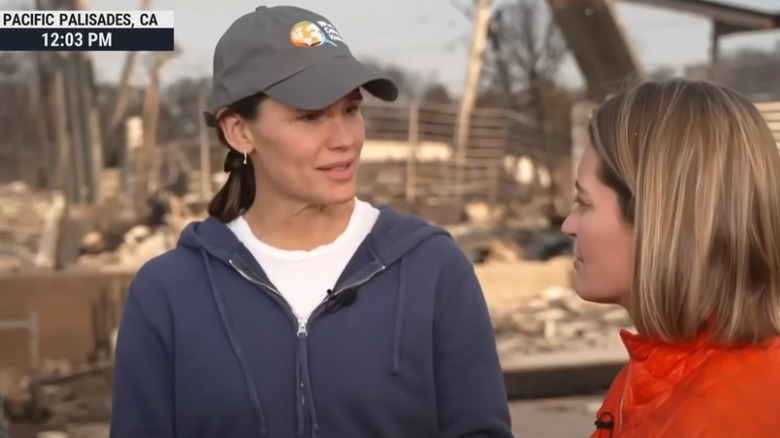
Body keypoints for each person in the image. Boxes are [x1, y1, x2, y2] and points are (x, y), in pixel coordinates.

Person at [109, 5, 512, 438]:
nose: (343, 139)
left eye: (351, 110)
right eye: (311, 116)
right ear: (239, 132)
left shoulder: (433, 270)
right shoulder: (167, 295)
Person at [562, 79, 780, 438]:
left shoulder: (730, 417)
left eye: (585, 203)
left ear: (657, 220)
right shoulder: (656, 375)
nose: (568, 226)